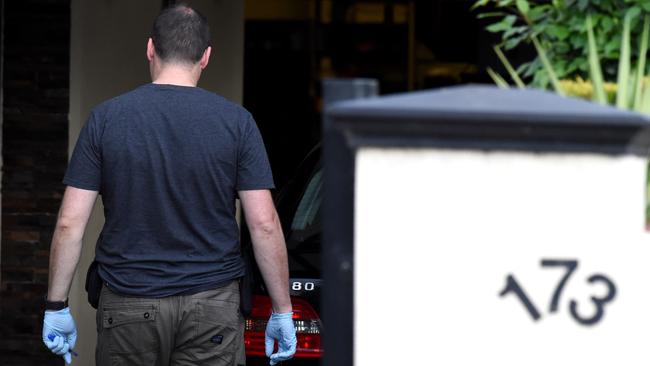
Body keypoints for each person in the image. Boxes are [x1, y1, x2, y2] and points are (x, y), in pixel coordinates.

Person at [41, 4, 296, 366]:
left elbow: (69, 223)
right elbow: (264, 224)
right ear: (206, 57)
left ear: (149, 48)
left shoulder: (105, 120)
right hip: (212, 307)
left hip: (128, 302)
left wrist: (56, 305)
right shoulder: (238, 123)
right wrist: (283, 310)